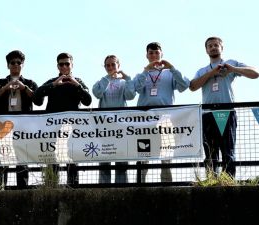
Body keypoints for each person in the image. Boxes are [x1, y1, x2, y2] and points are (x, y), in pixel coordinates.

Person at [189, 36, 259, 178]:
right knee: (210, 151)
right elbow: (192, 86)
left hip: (226, 112)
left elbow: (255, 73)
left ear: (222, 48)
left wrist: (233, 69)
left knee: (228, 150)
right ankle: (211, 180)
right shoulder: (202, 70)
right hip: (207, 113)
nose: (213, 47)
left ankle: (228, 180)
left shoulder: (231, 63)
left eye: (216, 45)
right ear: (206, 50)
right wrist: (212, 73)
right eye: (210, 46)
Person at [134, 42, 190, 182]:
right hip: (145, 118)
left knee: (166, 154)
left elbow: (184, 85)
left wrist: (172, 68)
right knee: (143, 153)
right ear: (146, 55)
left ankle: (167, 186)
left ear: (161, 54)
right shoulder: (142, 73)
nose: (154, 55)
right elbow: (136, 89)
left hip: (165, 117)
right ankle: (139, 185)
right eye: (151, 53)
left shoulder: (169, 73)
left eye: (156, 52)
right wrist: (145, 71)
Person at [0, 50, 42, 188]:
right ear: (8, 65)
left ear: (23, 65)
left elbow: (39, 101)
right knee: (2, 158)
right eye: (13, 62)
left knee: (22, 158)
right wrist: (5, 88)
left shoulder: (29, 82)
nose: (16, 65)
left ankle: (22, 189)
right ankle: (0, 187)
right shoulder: (0, 83)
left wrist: (24, 88)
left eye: (19, 62)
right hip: (4, 127)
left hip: (24, 128)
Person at [34, 52, 92, 185]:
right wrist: (53, 85)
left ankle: (73, 187)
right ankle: (51, 185)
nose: (64, 66)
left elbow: (88, 101)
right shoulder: (52, 82)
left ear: (72, 65)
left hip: (72, 128)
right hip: (53, 128)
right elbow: (37, 99)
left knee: (72, 157)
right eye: (61, 64)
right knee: (52, 158)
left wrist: (77, 85)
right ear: (57, 66)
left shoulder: (79, 82)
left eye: (67, 63)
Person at [92, 55, 136, 184]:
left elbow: (130, 96)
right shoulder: (101, 81)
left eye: (113, 64)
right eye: (108, 65)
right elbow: (97, 94)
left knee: (122, 160)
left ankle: (122, 188)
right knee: (104, 160)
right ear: (105, 67)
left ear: (118, 65)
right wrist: (107, 79)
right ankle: (103, 188)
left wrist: (127, 78)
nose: (111, 67)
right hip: (104, 127)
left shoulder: (124, 82)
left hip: (121, 127)